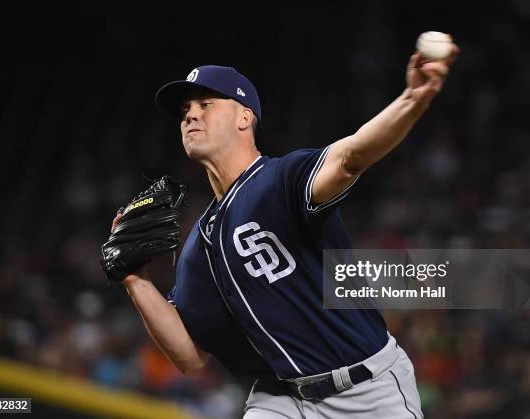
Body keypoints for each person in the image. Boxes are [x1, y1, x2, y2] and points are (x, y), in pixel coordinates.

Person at [112, 43, 458, 418]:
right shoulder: (200, 242)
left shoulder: (281, 179)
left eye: (205, 104)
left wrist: (412, 100)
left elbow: (351, 156)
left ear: (244, 117)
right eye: (185, 111)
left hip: (366, 390)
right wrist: (135, 279)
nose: (190, 116)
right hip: (282, 400)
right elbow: (190, 355)